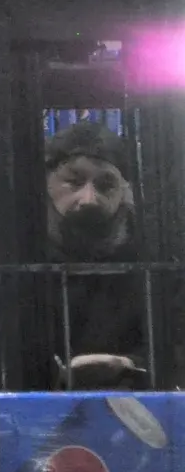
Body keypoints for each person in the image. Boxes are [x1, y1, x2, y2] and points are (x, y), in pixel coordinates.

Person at [43, 120, 148, 391]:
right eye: (74, 181)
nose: (89, 198)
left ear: (124, 191)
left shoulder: (151, 258)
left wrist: (127, 364)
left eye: (106, 185)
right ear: (45, 183)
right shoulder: (13, 252)